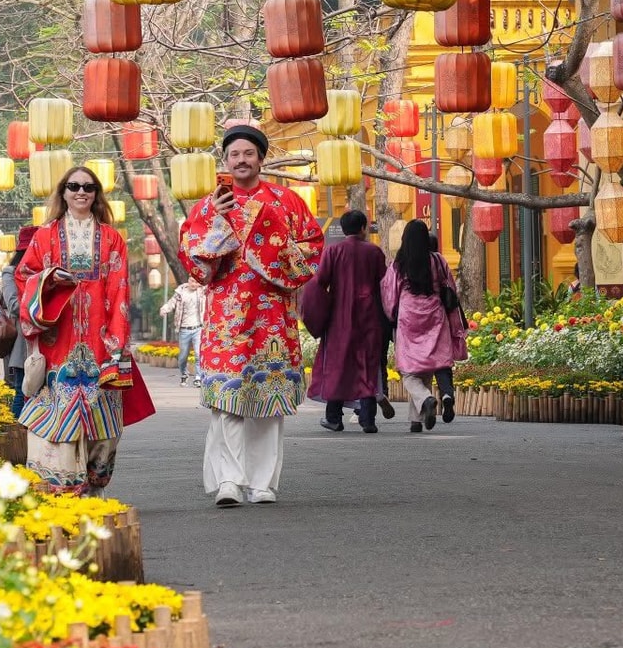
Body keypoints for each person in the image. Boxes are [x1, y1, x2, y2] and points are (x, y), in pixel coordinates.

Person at [179, 123, 324, 507]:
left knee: (268, 400)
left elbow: (311, 249)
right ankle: (229, 480)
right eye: (234, 155)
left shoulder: (286, 201)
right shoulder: (207, 206)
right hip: (226, 317)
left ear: (261, 158)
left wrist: (269, 239)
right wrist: (217, 223)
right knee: (228, 399)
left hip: (272, 316)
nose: (241, 160)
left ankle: (262, 484)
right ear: (225, 161)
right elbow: (194, 262)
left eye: (248, 153)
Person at [14, 166, 134, 494]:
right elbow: (24, 276)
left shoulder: (112, 239)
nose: (81, 192)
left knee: (104, 422)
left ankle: (95, 486)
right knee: (56, 416)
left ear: (96, 194)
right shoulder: (44, 236)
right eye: (74, 186)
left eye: (88, 187)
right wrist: (49, 280)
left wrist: (116, 342)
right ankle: (60, 487)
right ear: (63, 192)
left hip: (101, 341)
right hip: (58, 341)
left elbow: (120, 291)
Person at [308, 209, 394, 433]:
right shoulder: (374, 252)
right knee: (367, 365)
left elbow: (320, 282)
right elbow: (384, 284)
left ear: (344, 228)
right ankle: (368, 419)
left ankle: (334, 418)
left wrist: (317, 312)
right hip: (369, 316)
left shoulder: (333, 251)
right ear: (363, 228)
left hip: (339, 318)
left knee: (338, 366)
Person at [383, 219, 467, 435]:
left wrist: (391, 315)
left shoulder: (398, 265)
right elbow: (451, 287)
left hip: (409, 318)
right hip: (435, 314)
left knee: (409, 370)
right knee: (428, 366)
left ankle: (425, 401)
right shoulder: (437, 260)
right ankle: (416, 419)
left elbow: (390, 295)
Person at [0, 225, 38, 414]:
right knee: (21, 392)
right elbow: (14, 305)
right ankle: (17, 431)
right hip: (23, 342)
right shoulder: (10, 273)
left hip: (48, 344)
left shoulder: (47, 270)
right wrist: (40, 305)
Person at [161, 276, 206, 385]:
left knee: (198, 354)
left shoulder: (202, 292)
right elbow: (171, 302)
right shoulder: (180, 292)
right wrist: (164, 309)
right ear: (188, 280)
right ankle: (184, 374)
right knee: (183, 356)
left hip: (198, 328)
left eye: (196, 282)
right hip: (184, 329)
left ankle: (198, 377)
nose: (194, 284)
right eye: (192, 281)